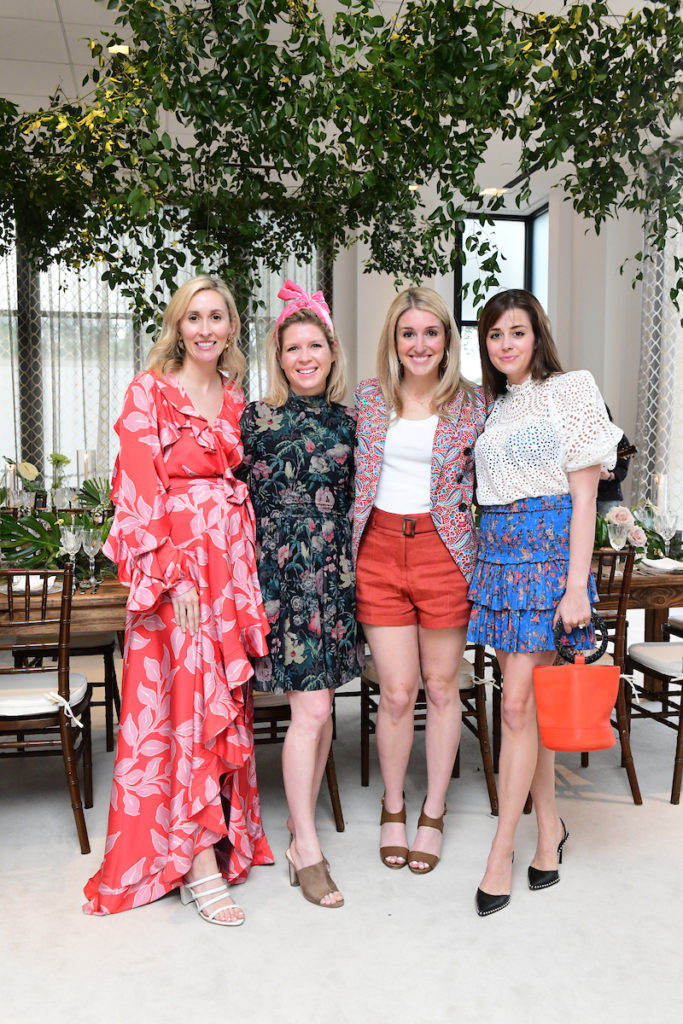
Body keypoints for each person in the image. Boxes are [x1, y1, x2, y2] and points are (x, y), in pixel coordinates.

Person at [83, 274, 273, 926]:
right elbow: (137, 491)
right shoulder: (149, 392)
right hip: (179, 576)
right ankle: (193, 867)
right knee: (185, 707)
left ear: (231, 328)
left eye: (216, 317)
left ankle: (216, 841)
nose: (204, 329)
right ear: (177, 325)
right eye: (193, 317)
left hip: (229, 569)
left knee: (217, 704)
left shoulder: (238, 402)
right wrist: (176, 576)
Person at [467, 288, 622, 916]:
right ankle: (548, 831)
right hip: (500, 556)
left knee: (518, 710)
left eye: (517, 332)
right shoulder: (496, 407)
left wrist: (578, 585)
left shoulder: (571, 388)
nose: (506, 343)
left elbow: (585, 498)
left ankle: (501, 849)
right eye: (495, 334)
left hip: (549, 555)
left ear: (538, 335)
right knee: (521, 709)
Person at [353, 286, 487, 874]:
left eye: (431, 332)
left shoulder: (474, 404)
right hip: (378, 552)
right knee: (398, 692)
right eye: (408, 333)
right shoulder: (366, 400)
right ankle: (392, 805)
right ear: (394, 340)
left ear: (447, 340)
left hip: (445, 553)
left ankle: (433, 809)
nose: (419, 344)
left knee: (440, 688)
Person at [240, 280, 363, 908]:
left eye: (316, 345)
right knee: (310, 714)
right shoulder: (254, 419)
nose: (306, 356)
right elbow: (222, 499)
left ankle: (298, 827)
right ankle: (306, 848)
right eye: (294, 348)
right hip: (281, 580)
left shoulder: (351, 421)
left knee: (320, 716)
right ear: (280, 356)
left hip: (334, 581)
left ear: (332, 353)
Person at [597, 406, 635, 517]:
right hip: (583, 494)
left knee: (608, 532)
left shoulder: (619, 438)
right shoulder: (582, 437)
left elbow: (623, 469)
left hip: (608, 496)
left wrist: (609, 475)